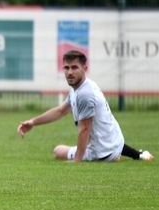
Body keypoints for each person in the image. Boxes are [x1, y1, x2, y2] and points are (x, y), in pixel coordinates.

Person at [17, 50, 154, 162]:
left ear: (85, 68)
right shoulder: (79, 87)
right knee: (66, 148)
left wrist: (77, 161)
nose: (70, 72)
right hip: (114, 142)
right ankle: (138, 155)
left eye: (74, 67)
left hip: (101, 153)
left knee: (58, 151)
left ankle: (117, 156)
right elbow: (61, 111)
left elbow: (84, 130)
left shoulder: (85, 94)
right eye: (66, 67)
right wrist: (33, 122)